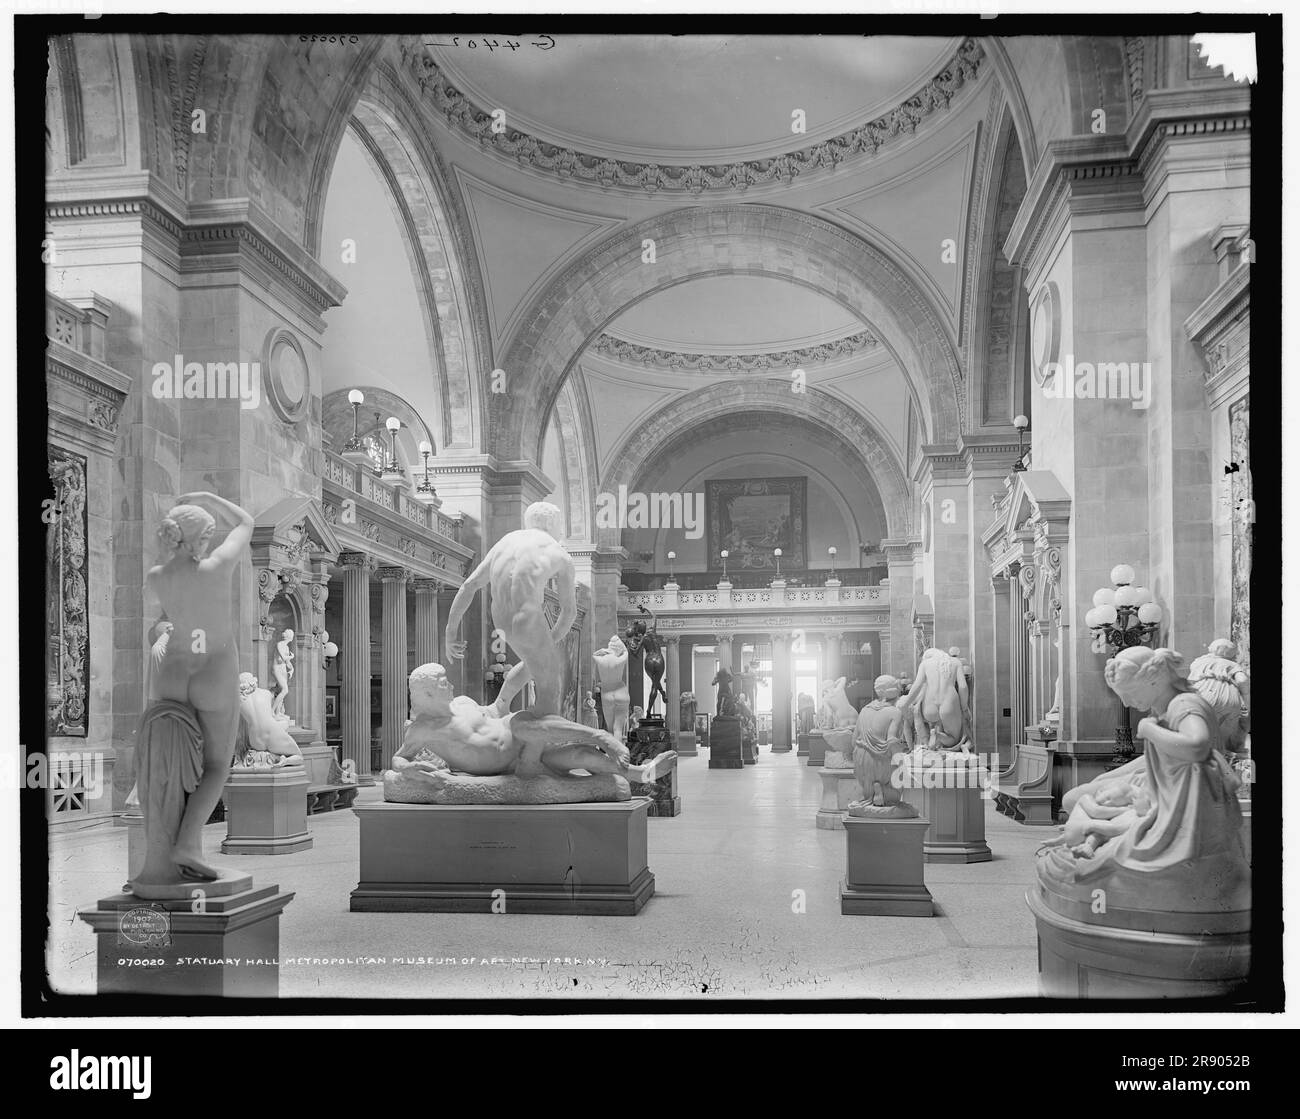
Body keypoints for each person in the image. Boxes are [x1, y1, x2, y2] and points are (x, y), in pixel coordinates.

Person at [140, 491, 253, 888]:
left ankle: (162, 848)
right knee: (217, 765)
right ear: (197, 538)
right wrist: (209, 497)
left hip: (173, 669)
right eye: (205, 534)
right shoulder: (217, 566)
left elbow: (165, 570)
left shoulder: (158, 575)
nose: (210, 541)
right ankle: (188, 842)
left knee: (171, 754)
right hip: (214, 668)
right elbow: (246, 524)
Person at [444, 502, 573, 716]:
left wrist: (450, 632)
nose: (560, 531)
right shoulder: (559, 554)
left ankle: (500, 705)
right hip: (528, 617)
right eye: (560, 524)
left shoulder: (506, 541)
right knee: (551, 687)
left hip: (499, 618)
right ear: (551, 522)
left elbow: (470, 585)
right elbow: (569, 613)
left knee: (532, 661)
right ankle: (539, 742)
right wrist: (550, 640)